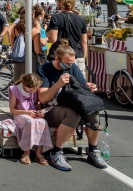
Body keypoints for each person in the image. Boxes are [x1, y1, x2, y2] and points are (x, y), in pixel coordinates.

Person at [37, 39, 107, 171]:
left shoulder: (72, 67)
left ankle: (93, 151)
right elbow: (42, 98)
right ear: (57, 59)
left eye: (72, 63)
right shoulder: (44, 69)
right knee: (72, 114)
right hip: (51, 108)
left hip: (70, 103)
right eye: (67, 63)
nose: (70, 66)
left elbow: (83, 86)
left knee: (94, 112)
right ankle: (56, 153)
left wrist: (89, 87)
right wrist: (58, 84)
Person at [9, 73, 52, 165]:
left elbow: (37, 105)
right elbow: (12, 110)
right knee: (30, 122)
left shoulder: (36, 89)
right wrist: (26, 112)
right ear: (25, 85)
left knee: (43, 122)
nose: (33, 91)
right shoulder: (15, 89)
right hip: (20, 113)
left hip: (32, 113)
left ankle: (38, 153)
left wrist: (40, 112)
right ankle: (26, 152)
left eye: (35, 89)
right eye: (31, 90)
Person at [47, 0, 88, 78]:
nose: (56, 2)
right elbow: (84, 42)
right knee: (79, 84)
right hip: (77, 56)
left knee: (59, 84)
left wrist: (48, 36)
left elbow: (53, 39)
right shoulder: (81, 19)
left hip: (61, 58)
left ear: (62, 3)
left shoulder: (56, 18)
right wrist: (83, 58)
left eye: (57, 0)